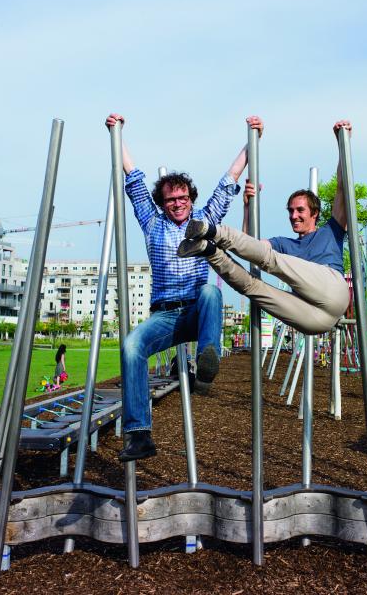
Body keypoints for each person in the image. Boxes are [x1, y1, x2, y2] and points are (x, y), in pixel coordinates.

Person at [105, 113, 263, 462]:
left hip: (196, 308)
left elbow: (229, 180)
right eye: (170, 200)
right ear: (162, 204)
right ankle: (139, 435)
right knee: (132, 345)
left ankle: (207, 361)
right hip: (165, 316)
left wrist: (252, 139)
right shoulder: (152, 223)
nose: (177, 204)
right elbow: (132, 176)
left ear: (191, 198)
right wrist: (116, 133)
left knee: (211, 291)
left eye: (182, 198)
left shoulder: (203, 220)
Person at [177, 120, 352, 336]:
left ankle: (211, 230)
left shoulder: (331, 230)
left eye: (299, 210)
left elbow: (343, 188)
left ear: (314, 213)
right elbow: (250, 246)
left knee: (272, 260)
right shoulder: (284, 244)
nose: (293, 216)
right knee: (252, 288)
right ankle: (208, 250)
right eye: (290, 211)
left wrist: (342, 143)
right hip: (315, 319)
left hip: (333, 292)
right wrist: (247, 208)